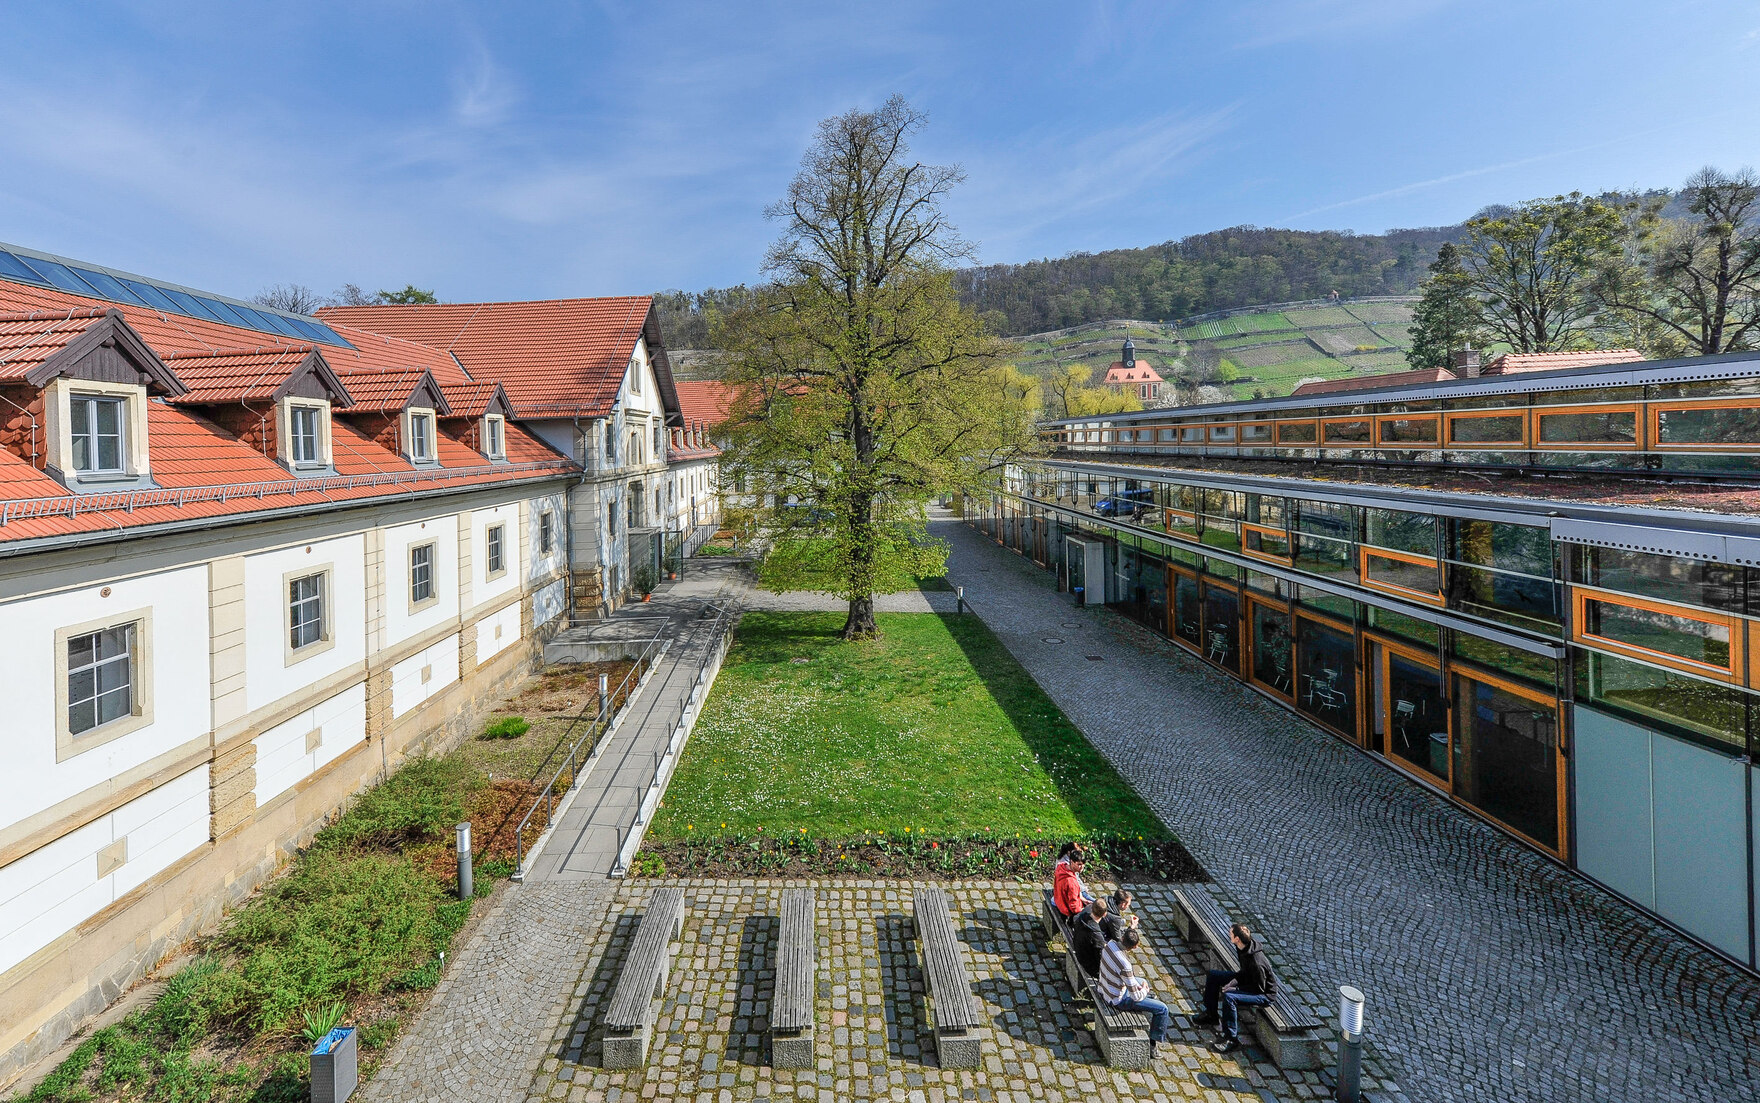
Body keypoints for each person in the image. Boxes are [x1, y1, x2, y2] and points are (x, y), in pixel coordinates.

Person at [1192, 923, 1277, 1053]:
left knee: (1229, 997)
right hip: (1250, 981)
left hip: (1263, 993)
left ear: (1237, 939)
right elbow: (1244, 972)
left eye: (1231, 934)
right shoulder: (1242, 947)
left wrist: (1236, 989)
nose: (1228, 935)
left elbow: (1258, 988)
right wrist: (1233, 982)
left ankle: (1231, 1038)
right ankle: (1211, 1015)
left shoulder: (1257, 963)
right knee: (1214, 976)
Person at [1096, 928, 1170, 1055]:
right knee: (1163, 1009)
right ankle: (1153, 1044)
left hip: (1104, 986)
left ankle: (1148, 999)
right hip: (1117, 999)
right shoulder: (1125, 965)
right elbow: (1135, 996)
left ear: (1122, 938)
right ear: (1134, 947)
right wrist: (1145, 991)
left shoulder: (1110, 945)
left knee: (1141, 981)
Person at [1069, 897, 1109, 980]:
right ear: (1105, 914)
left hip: (1079, 949)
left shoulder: (1082, 917)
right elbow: (1100, 958)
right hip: (1088, 964)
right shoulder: (1096, 934)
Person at [1052, 844, 1094, 917]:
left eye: (1083, 864)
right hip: (1066, 909)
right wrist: (1083, 910)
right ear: (1071, 861)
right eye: (1079, 864)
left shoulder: (1061, 867)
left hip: (1058, 899)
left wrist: (1083, 899)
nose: (1082, 868)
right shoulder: (1071, 883)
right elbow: (1074, 908)